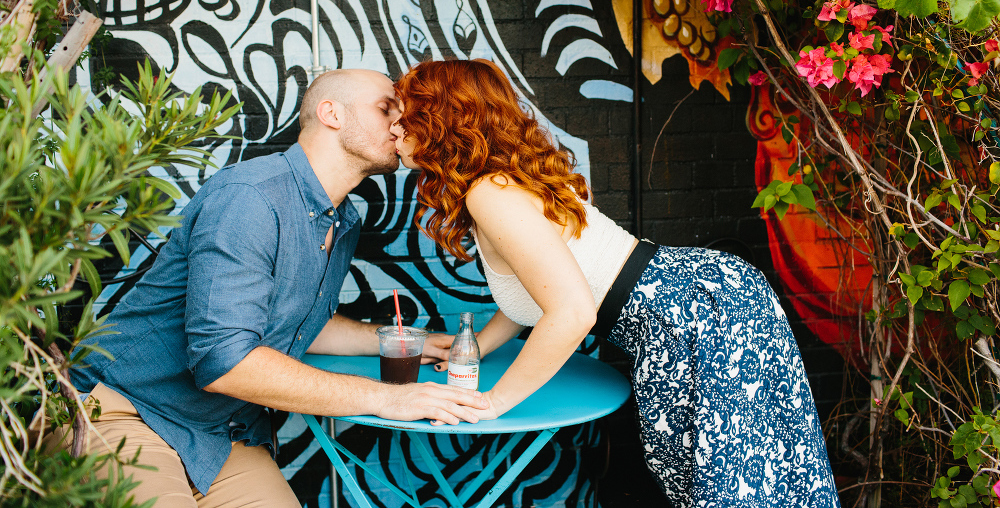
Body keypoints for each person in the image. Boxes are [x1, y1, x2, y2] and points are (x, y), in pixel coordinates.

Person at [390, 59, 841, 508]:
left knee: (731, 488)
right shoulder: (501, 182)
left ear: (442, 120)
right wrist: (475, 348)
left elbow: (572, 312)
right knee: (761, 480)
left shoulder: (490, 193)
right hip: (706, 299)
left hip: (696, 318)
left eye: (404, 114)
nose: (394, 128)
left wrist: (494, 402)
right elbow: (532, 291)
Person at [56, 68, 487, 508]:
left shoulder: (342, 218)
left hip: (218, 436)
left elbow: (301, 324)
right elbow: (225, 363)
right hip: (123, 413)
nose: (402, 124)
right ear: (331, 114)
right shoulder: (251, 197)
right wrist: (389, 398)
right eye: (385, 109)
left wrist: (416, 342)